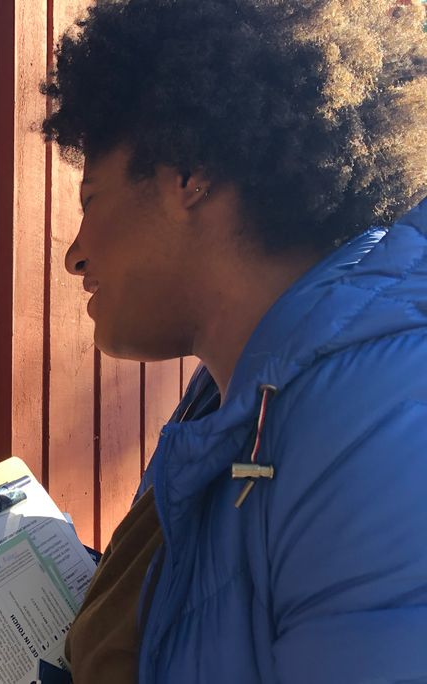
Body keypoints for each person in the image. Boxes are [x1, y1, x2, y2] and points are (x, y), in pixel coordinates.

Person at [41, 1, 427, 682]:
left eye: (92, 199)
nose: (75, 256)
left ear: (189, 175)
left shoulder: (382, 421)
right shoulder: (225, 401)